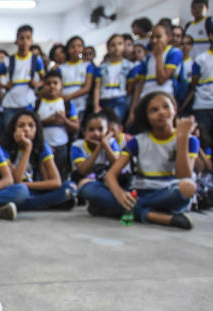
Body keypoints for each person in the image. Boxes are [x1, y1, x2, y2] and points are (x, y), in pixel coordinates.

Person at [84, 92, 198, 229]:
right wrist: (119, 194)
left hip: (167, 194)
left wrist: (182, 139)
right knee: (86, 187)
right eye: (154, 110)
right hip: (138, 192)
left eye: (166, 107)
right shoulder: (138, 141)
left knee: (188, 188)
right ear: (146, 117)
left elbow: (182, 176)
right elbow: (110, 175)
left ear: (174, 109)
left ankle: (122, 210)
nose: (162, 112)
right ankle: (154, 216)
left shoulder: (190, 140)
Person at [1, 110, 76, 210]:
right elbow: (16, 179)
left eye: (31, 126)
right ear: (13, 129)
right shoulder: (4, 148)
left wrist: (25, 184)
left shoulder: (42, 147)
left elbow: (56, 182)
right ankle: (51, 203)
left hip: (33, 189)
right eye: (21, 126)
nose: (26, 129)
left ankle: (33, 204)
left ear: (37, 129)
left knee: (70, 186)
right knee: (19, 191)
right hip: (14, 191)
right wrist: (27, 149)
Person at [128, 24, 183, 126]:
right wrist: (133, 110)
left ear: (168, 37)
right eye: (152, 37)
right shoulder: (148, 57)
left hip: (164, 97)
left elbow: (161, 79)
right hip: (146, 98)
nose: (154, 41)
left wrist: (159, 56)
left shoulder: (174, 53)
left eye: (158, 37)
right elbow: (140, 85)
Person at [0, 24, 45, 125]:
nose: (25, 41)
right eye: (21, 38)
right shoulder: (8, 61)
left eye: (28, 38)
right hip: (10, 102)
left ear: (32, 40)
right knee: (9, 130)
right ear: (16, 41)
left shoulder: (36, 60)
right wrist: (4, 85)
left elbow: (44, 79)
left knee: (27, 129)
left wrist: (37, 84)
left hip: (28, 101)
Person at [36, 70, 79, 181]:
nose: (52, 86)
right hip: (42, 147)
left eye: (55, 83)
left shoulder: (67, 104)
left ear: (61, 85)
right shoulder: (37, 103)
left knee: (61, 176)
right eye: (48, 83)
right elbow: (32, 124)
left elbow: (76, 127)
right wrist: (46, 121)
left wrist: (64, 120)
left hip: (61, 146)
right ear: (44, 85)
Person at [70, 113, 120, 191]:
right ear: (84, 132)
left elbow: (117, 165)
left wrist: (105, 144)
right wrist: (99, 147)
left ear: (107, 131)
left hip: (105, 180)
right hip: (84, 181)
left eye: (100, 129)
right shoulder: (77, 146)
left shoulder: (111, 142)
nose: (96, 133)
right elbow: (84, 171)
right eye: (91, 130)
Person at [182, 21, 213, 143]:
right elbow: (194, 83)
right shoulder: (201, 59)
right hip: (203, 106)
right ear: (210, 36)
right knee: (204, 140)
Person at [94, 33, 134, 122]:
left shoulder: (129, 66)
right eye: (113, 45)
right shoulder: (101, 68)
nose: (116, 47)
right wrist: (96, 105)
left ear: (124, 46)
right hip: (104, 99)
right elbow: (97, 88)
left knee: (115, 123)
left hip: (120, 98)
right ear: (108, 48)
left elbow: (130, 87)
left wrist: (123, 95)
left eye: (120, 44)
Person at [58, 35, 95, 121]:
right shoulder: (61, 68)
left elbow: (87, 87)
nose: (76, 49)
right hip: (65, 104)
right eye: (72, 46)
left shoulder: (87, 65)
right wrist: (63, 97)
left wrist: (69, 96)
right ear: (67, 50)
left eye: (79, 46)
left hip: (81, 104)